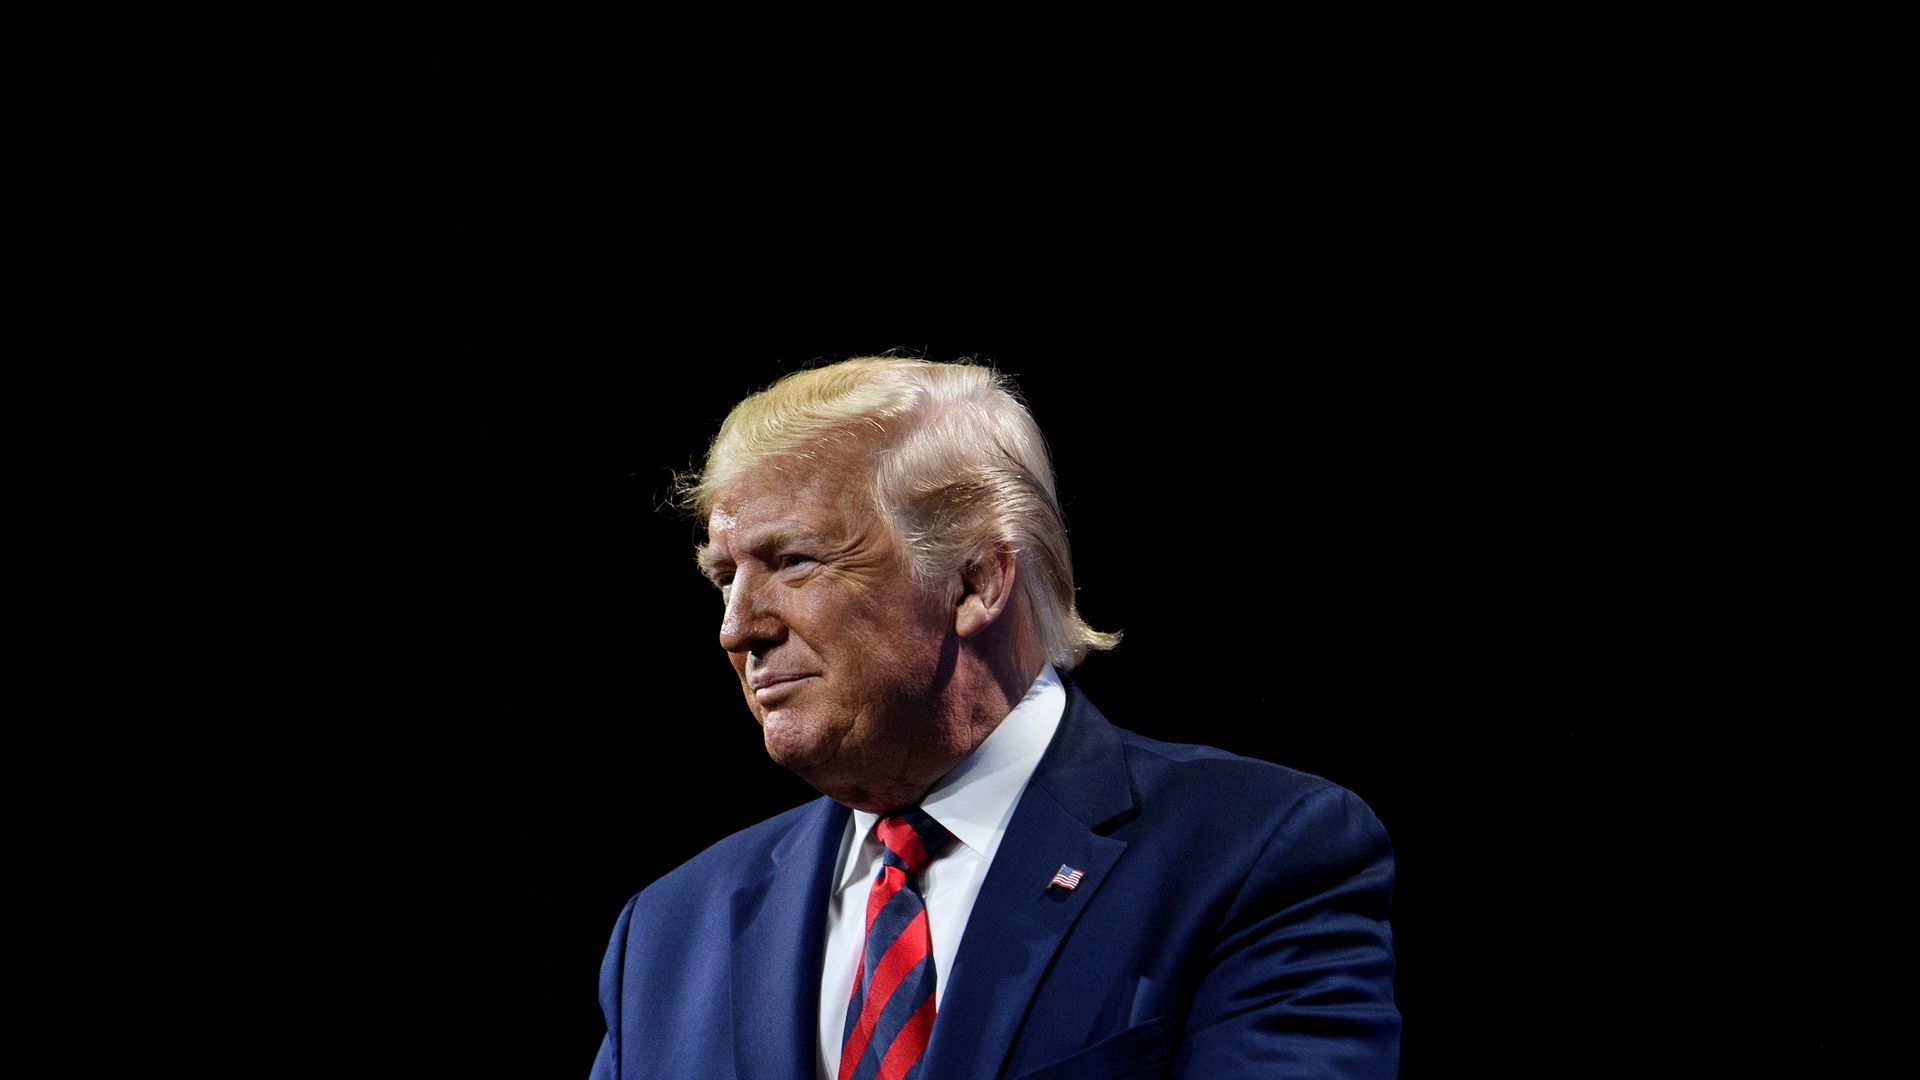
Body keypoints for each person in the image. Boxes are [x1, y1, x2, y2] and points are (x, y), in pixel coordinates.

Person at [589, 356, 1399, 1079]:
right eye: (722, 577)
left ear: (976, 580)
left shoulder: (1254, 855)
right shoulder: (664, 937)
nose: (737, 628)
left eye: (793, 561)